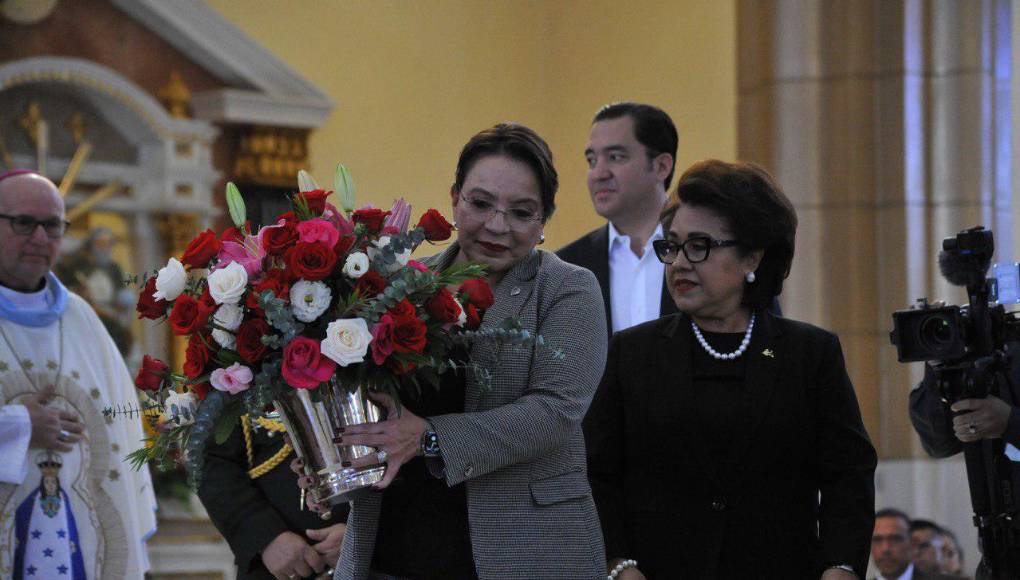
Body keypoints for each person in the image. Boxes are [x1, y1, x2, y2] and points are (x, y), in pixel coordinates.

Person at [309, 123, 608, 580]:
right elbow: (372, 404)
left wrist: (429, 437)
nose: (497, 226)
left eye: (521, 212)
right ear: (455, 198)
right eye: (481, 203)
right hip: (394, 544)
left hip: (524, 550)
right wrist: (328, 455)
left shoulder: (567, 288)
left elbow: (555, 412)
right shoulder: (403, 281)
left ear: (543, 219)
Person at [585, 160, 878, 579]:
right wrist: (618, 564)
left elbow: (848, 474)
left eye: (699, 246)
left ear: (752, 257)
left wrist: (841, 566)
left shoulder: (810, 354)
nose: (679, 263)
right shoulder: (632, 353)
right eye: (672, 246)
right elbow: (596, 474)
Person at [0, 170, 157, 579]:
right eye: (23, 222)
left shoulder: (83, 319)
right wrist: (19, 426)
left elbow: (122, 431)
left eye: (53, 225)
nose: (40, 237)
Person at [557, 102, 679, 337]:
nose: (598, 174)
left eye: (615, 157)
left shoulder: (701, 252)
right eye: (592, 160)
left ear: (661, 166)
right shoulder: (567, 267)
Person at [198, 413, 350, 580]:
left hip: (367, 551)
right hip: (274, 564)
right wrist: (266, 536)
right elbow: (213, 463)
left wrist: (363, 532)